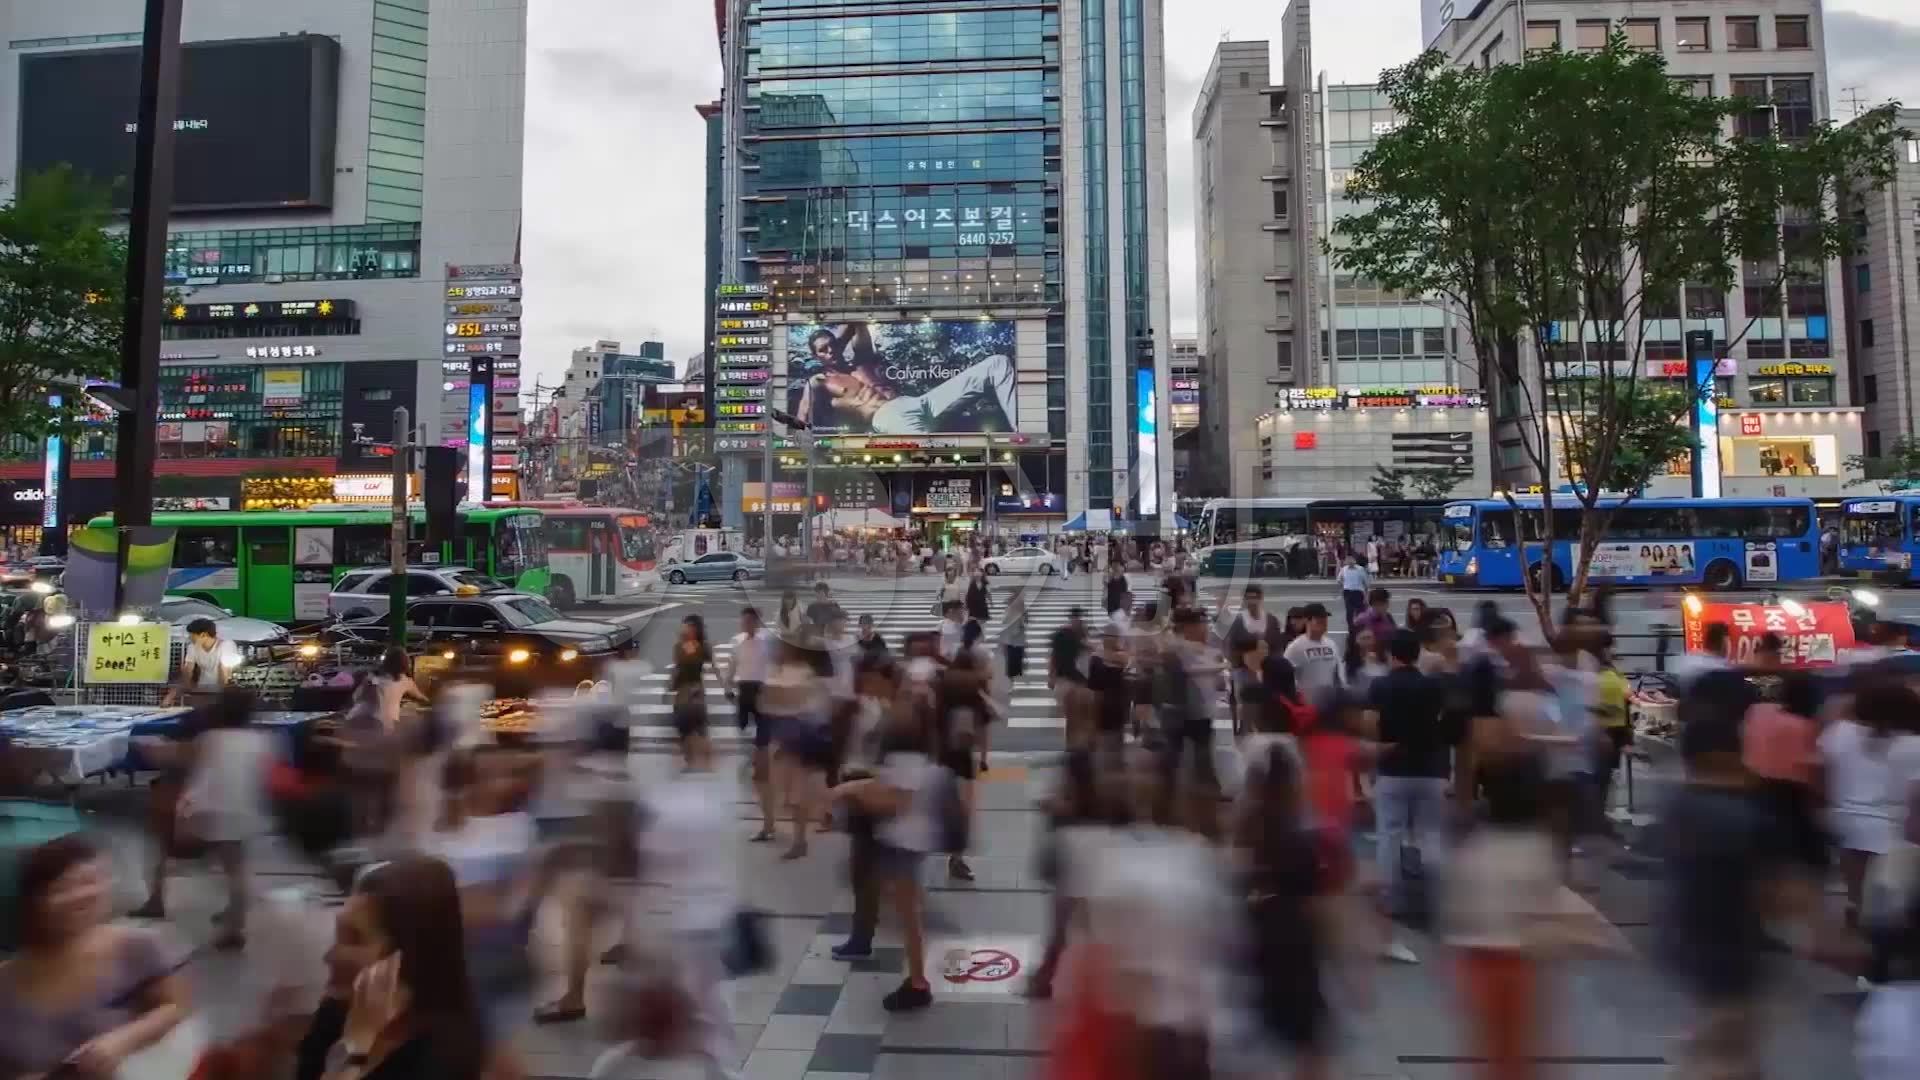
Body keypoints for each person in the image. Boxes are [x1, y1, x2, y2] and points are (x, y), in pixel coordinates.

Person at [1659, 701, 1803, 1080]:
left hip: (1685, 940)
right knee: (1727, 1050)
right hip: (1733, 951)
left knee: (1724, 1042)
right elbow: (1779, 896)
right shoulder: (1747, 817)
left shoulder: (1676, 803)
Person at [593, 717, 743, 1080]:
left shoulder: (663, 803)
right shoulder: (710, 797)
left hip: (672, 928)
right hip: (703, 925)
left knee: (685, 1019)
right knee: (708, 1015)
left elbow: (634, 869)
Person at [0, 836, 192, 1077]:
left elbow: (175, 1007)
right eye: (63, 887)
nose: (81, 895)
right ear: (35, 903)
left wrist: (124, 1040)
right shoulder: (7, 981)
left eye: (91, 881)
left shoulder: (138, 946)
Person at [297, 856, 490, 1080]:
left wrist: (356, 1044)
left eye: (355, 939)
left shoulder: (446, 1052)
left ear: (410, 956)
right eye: (338, 935)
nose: (330, 956)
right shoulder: (335, 1011)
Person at [1233, 741, 1337, 1080]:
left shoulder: (1246, 828)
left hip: (1253, 949)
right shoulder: (1303, 839)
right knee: (1309, 1053)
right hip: (1294, 954)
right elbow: (1318, 908)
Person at [1371, 628, 1461, 955]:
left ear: (1392, 654)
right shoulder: (1433, 686)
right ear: (1416, 654)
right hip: (1431, 770)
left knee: (1390, 837)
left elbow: (1371, 725)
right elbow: (1447, 722)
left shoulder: (1380, 685)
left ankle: (1390, 901)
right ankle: (1439, 901)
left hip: (1392, 768)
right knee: (1430, 836)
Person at [725, 606, 778, 841]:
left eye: (749, 622)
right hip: (744, 691)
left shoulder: (768, 641)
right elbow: (732, 666)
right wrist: (728, 686)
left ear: (758, 622)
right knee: (742, 730)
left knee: (763, 740)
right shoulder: (737, 642)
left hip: (763, 692)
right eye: (743, 621)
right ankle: (754, 758)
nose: (745, 625)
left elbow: (777, 668)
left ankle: (761, 757)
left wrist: (771, 690)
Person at [669, 615, 722, 771]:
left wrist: (725, 687)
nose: (685, 629)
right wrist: (669, 684)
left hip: (696, 689)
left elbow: (714, 666)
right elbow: (677, 667)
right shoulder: (679, 646)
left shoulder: (702, 646)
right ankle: (689, 761)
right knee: (682, 728)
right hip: (682, 691)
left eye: (689, 626)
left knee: (700, 726)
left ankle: (708, 762)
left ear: (696, 629)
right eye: (684, 626)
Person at [1284, 602, 1342, 702]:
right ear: (1307, 620)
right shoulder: (1296, 646)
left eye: (1325, 620)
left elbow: (1339, 672)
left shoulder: (1331, 644)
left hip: (1330, 702)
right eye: (1319, 620)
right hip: (1307, 704)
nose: (1324, 623)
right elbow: (1285, 674)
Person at [167, 616, 230, 705]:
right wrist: (173, 695)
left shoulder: (225, 646)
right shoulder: (192, 647)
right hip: (202, 691)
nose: (190, 637)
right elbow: (188, 670)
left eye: (192, 635)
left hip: (220, 693)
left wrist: (220, 696)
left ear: (203, 635)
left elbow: (224, 674)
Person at [1337, 555, 1370, 627]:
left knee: (1360, 611)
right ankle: (1351, 627)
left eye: (1351, 559)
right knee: (1349, 611)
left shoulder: (1360, 569)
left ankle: (1361, 626)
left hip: (1358, 592)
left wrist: (1366, 596)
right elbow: (1339, 580)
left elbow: (1366, 583)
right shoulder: (1343, 569)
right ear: (1346, 562)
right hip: (1347, 592)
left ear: (1354, 560)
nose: (1349, 561)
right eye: (1348, 560)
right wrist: (1344, 585)